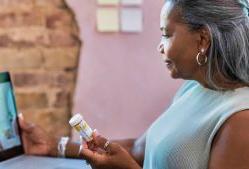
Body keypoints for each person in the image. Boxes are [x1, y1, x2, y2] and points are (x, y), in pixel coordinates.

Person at [18, 0, 249, 168]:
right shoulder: (195, 88)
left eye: (166, 34)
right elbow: (139, 149)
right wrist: (53, 145)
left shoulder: (240, 120)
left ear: (202, 39)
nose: (160, 47)